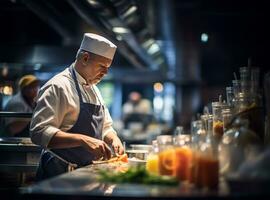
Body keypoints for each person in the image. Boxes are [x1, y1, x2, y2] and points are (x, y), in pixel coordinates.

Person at [30, 33, 124, 180]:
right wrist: (82, 139)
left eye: (108, 67)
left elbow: (105, 126)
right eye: (102, 66)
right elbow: (39, 132)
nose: (106, 72)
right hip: (58, 173)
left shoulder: (94, 89)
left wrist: (113, 139)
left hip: (86, 172)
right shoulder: (58, 86)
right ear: (85, 58)